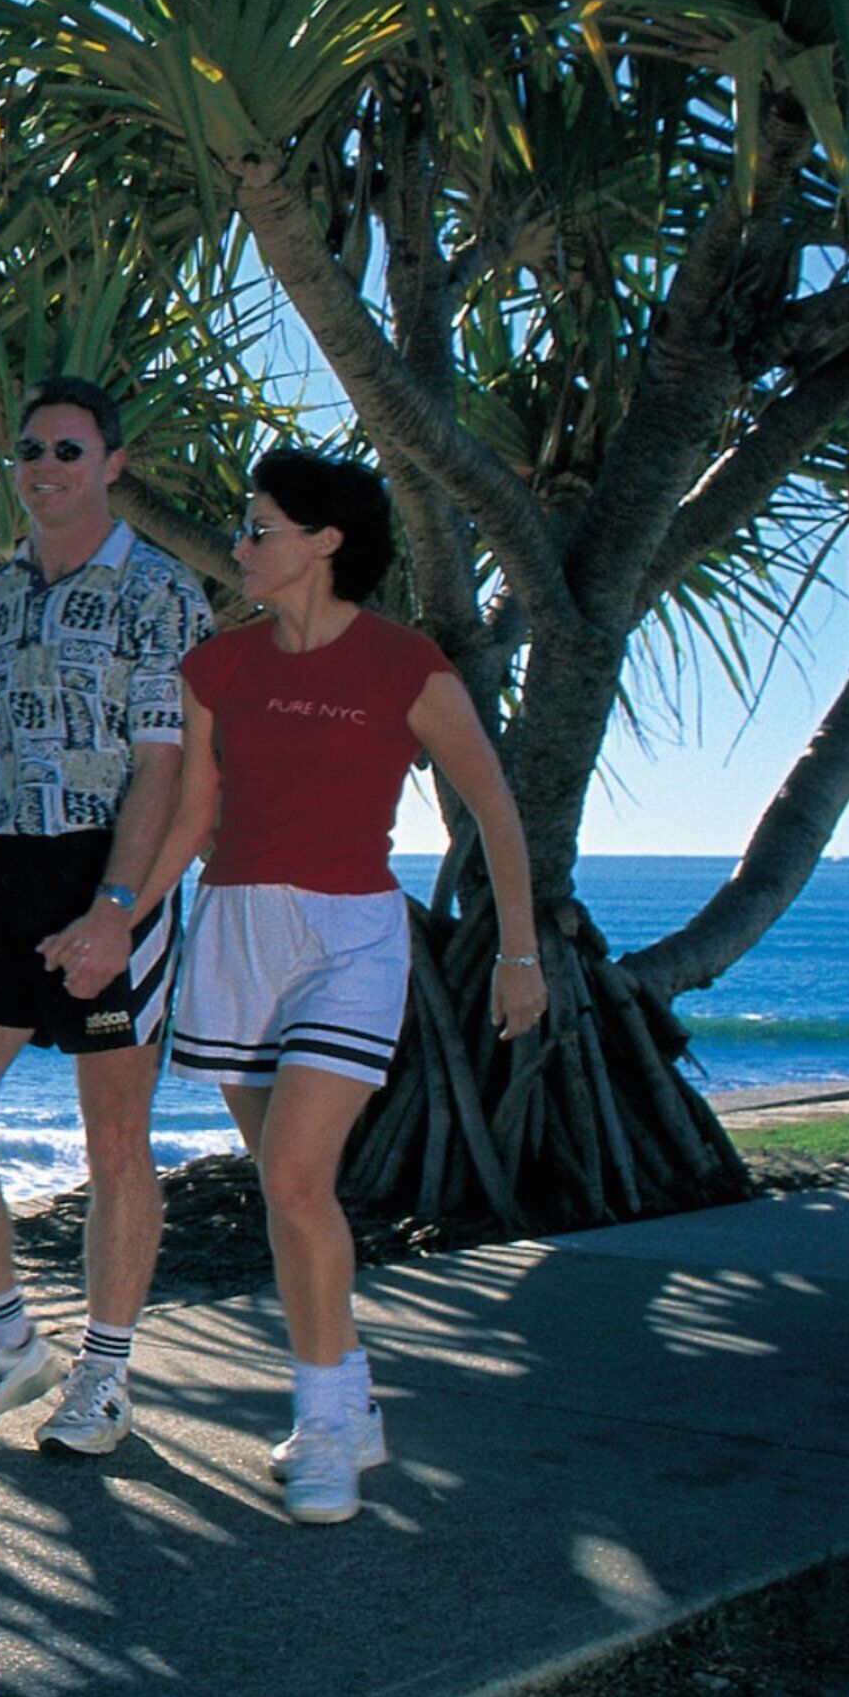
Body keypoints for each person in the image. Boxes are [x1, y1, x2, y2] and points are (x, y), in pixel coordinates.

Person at [83, 448, 545, 1525]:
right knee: (290, 1192)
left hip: (352, 937)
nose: (239, 546)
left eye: (258, 529)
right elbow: (193, 817)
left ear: (325, 541)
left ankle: (327, 1421)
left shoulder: (405, 666)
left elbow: (494, 808)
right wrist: (120, 921)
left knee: (293, 1179)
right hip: (238, 934)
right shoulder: (219, 669)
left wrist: (517, 952)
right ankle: (351, 1401)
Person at [0, 377, 213, 1457]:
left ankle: (108, 1375)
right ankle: (2, 1340)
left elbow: (165, 770)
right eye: (30, 450)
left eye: (70, 451)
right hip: (2, 870)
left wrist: (118, 913)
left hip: (106, 874)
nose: (45, 467)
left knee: (115, 1139)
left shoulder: (160, 592)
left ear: (111, 464)